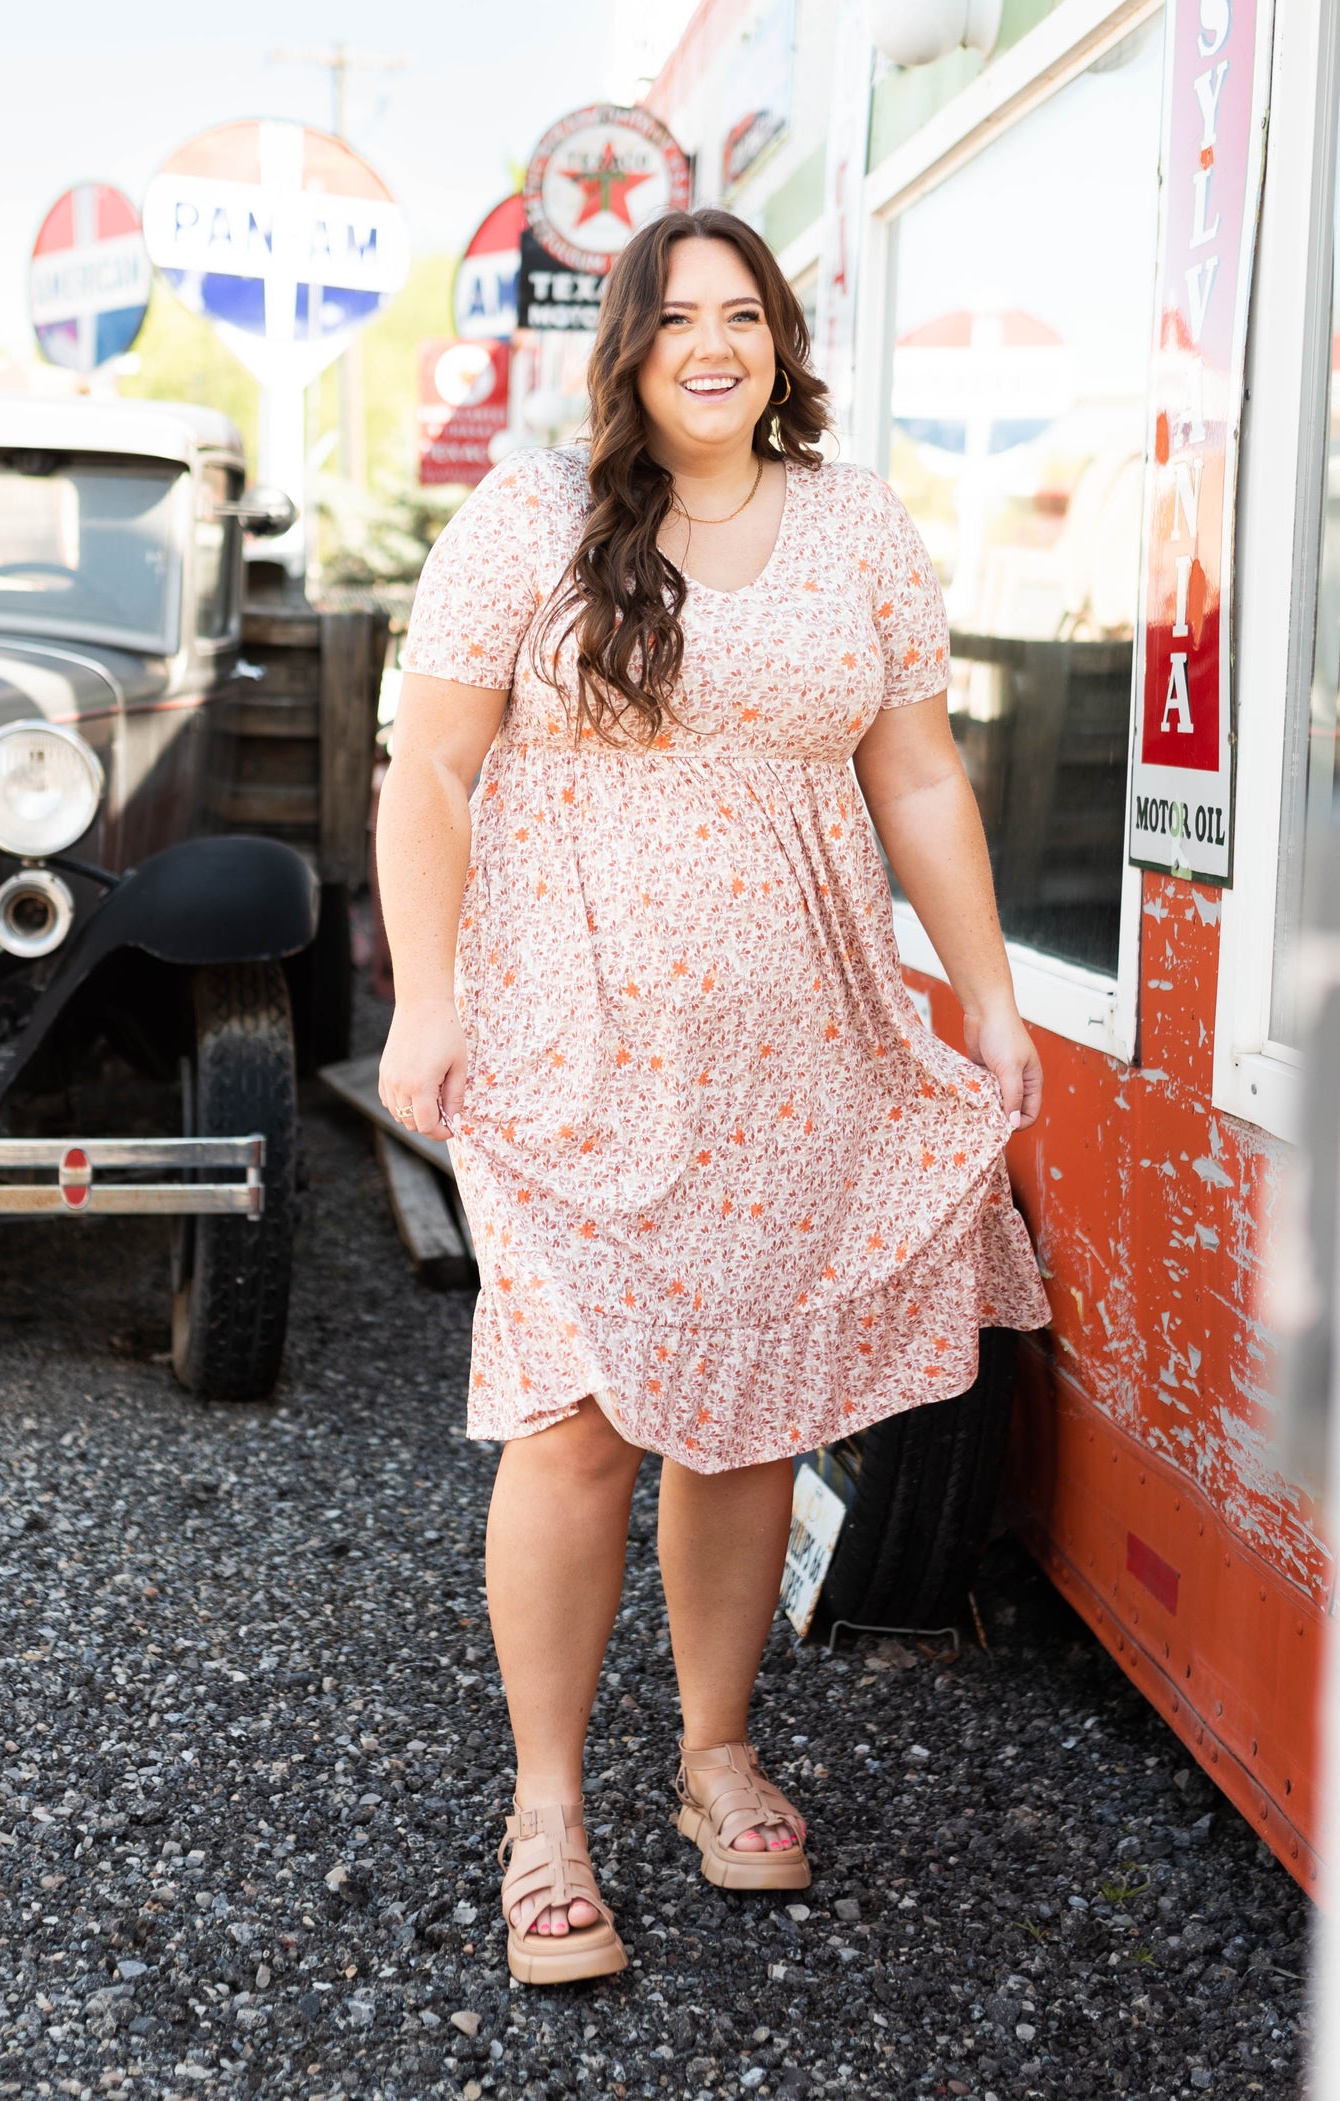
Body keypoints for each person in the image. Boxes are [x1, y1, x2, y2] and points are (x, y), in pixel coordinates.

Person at [375, 207, 1051, 1985]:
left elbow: (917, 778)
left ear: (780, 339)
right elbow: (431, 770)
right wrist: (427, 999)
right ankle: (545, 1812)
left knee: (751, 1404)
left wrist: (986, 994)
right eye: (676, 316)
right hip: (569, 1048)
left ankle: (715, 1749)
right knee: (582, 1412)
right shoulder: (532, 516)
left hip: (798, 1052)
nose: (712, 342)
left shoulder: (854, 525)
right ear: (628, 342)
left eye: (741, 313)